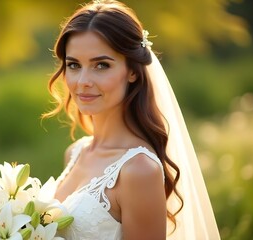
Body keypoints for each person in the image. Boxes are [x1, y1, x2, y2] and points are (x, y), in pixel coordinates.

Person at [42, 0, 220, 239]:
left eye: (101, 65)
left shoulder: (139, 170)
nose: (82, 80)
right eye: (74, 65)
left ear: (133, 71)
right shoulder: (75, 152)